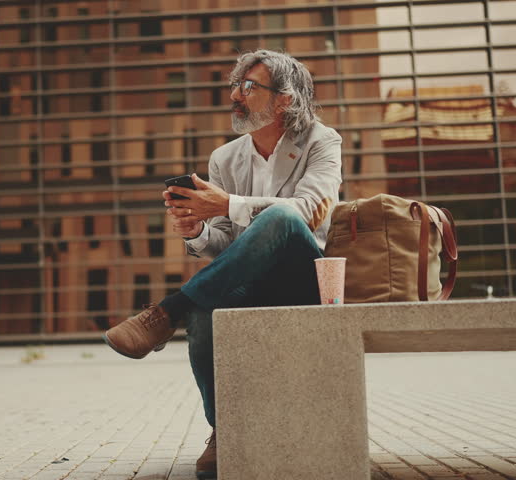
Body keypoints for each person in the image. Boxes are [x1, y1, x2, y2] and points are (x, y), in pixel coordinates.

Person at [103, 49, 342, 479]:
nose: (236, 94)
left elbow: (309, 211)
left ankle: (166, 311)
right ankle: (224, 432)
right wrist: (196, 230)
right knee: (204, 312)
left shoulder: (322, 143)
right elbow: (227, 244)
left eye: (249, 86)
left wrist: (228, 203)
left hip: (304, 278)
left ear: (285, 99)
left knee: (283, 216)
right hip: (249, 281)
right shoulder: (225, 158)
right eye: (234, 85)